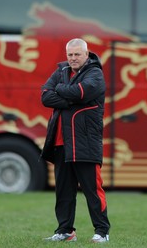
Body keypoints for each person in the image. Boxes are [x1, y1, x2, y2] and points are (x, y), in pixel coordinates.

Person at [40, 38, 110, 243]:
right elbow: (45, 96)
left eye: (77, 54)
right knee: (63, 191)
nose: (73, 58)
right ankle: (65, 231)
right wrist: (71, 97)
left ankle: (102, 232)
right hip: (61, 144)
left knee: (92, 190)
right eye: (70, 54)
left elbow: (82, 92)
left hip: (85, 143)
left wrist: (61, 91)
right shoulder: (61, 71)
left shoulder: (95, 74)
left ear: (86, 55)